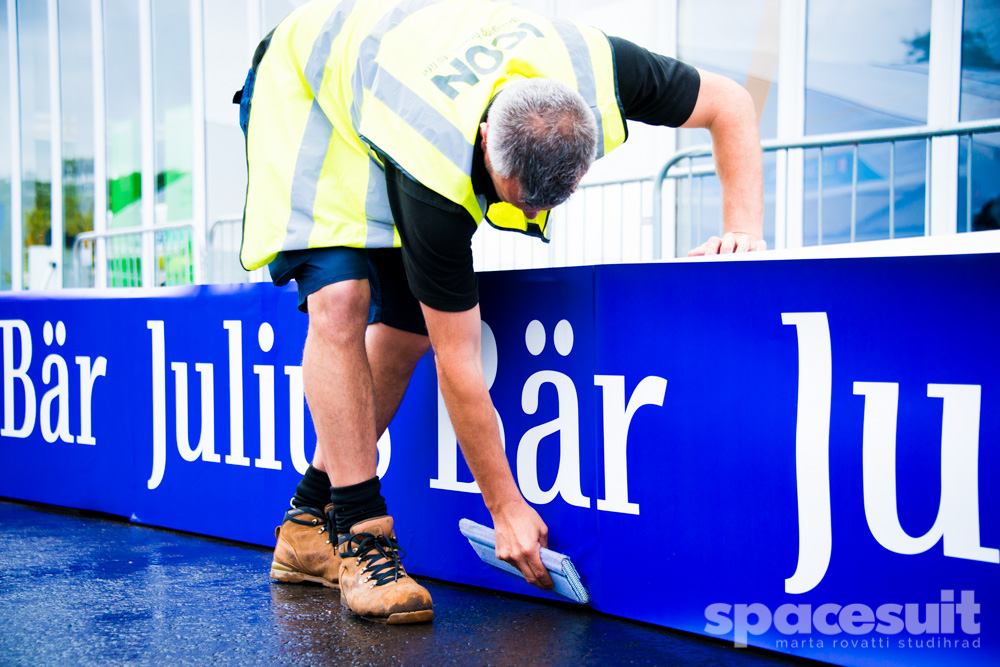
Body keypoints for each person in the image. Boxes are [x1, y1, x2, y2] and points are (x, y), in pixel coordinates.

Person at [237, 0, 765, 625]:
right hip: (306, 83)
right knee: (341, 299)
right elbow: (460, 366)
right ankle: (360, 536)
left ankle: (304, 523)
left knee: (406, 328)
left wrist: (743, 232)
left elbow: (728, 103)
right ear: (485, 138)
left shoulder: (601, 68)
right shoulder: (432, 155)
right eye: (509, 194)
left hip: (384, 75)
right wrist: (505, 506)